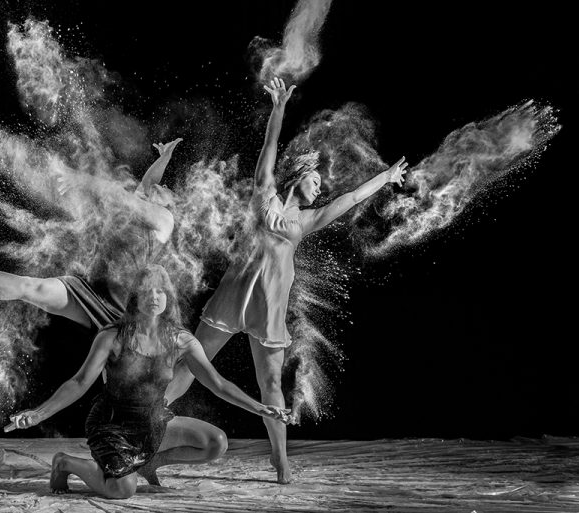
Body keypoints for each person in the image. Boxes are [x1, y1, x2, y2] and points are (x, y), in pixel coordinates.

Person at [165, 78, 408, 483]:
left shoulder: (307, 220)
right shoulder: (265, 194)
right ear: (299, 176)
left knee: (271, 383)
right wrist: (278, 108)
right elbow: (269, 147)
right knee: (192, 364)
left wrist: (384, 178)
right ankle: (145, 416)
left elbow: (348, 200)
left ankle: (280, 460)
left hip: (270, 305)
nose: (320, 188)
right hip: (234, 294)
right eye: (316, 181)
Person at [5, 264, 290, 498]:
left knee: (216, 443)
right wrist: (38, 413)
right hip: (112, 426)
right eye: (147, 290)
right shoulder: (112, 337)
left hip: (153, 423)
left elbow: (217, 383)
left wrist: (260, 408)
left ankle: (146, 462)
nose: (154, 296)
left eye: (160, 290)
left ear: (168, 297)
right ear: (135, 297)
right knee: (122, 490)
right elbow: (79, 383)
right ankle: (66, 462)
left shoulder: (181, 340)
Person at [0, 139, 183, 330]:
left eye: (167, 189)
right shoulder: (144, 208)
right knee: (29, 287)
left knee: (121, 367)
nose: (162, 185)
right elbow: (148, 184)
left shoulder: (164, 220)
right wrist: (165, 157)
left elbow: (119, 195)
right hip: (90, 288)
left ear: (172, 205)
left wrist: (80, 179)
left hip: (118, 306)